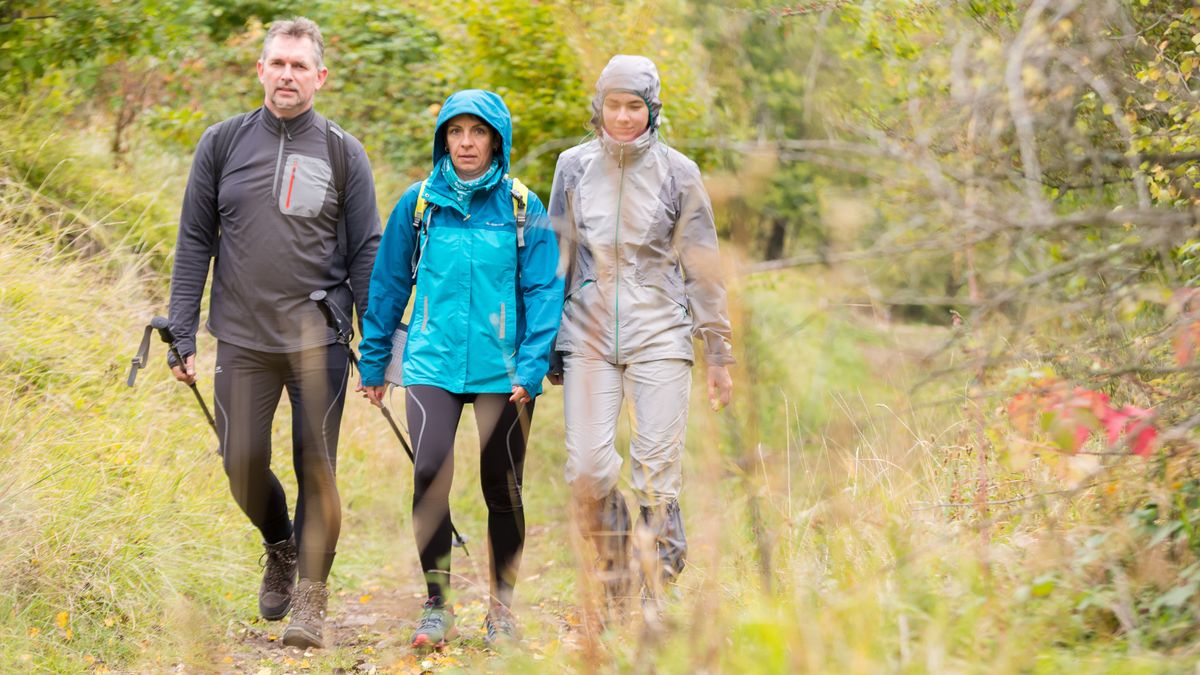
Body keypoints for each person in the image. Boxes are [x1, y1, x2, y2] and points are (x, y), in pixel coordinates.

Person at [167, 17, 380, 649]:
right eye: (278, 63)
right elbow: (194, 241)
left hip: (319, 340)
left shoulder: (343, 152)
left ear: (320, 76)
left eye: (299, 66)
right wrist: (182, 331)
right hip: (242, 337)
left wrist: (377, 347)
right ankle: (280, 545)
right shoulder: (222, 143)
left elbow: (366, 251)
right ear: (261, 70)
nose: (287, 75)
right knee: (240, 462)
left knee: (317, 465)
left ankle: (311, 598)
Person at [356, 89, 563, 649]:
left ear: (497, 140)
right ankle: (437, 606)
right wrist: (374, 361)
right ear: (443, 139)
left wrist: (531, 366)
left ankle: (502, 610)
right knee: (429, 475)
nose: (466, 142)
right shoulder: (419, 204)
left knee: (503, 486)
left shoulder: (523, 206)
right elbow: (388, 285)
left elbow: (545, 291)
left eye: (477, 132)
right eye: (455, 131)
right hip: (432, 362)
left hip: (505, 371)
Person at [547, 55, 735, 610]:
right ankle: (616, 565)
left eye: (635, 106)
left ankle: (659, 584)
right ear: (599, 107)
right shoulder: (572, 167)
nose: (624, 116)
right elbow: (556, 259)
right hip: (587, 332)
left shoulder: (680, 172)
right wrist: (544, 342)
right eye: (614, 105)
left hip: (661, 333)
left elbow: (703, 266)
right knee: (587, 466)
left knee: (656, 468)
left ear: (652, 109)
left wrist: (718, 351)